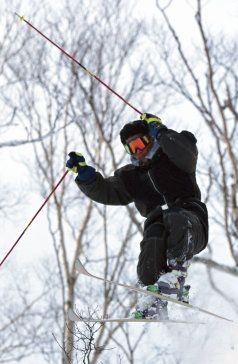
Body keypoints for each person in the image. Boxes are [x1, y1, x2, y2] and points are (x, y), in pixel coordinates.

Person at [65, 113, 208, 319]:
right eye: (131, 148)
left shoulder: (173, 157)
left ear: (149, 138)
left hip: (192, 225)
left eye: (140, 143)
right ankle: (152, 298)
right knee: (152, 235)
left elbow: (185, 152)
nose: (138, 150)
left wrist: (161, 132)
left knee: (173, 216)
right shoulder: (130, 176)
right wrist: (85, 175)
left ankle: (176, 275)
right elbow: (107, 190)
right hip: (161, 229)